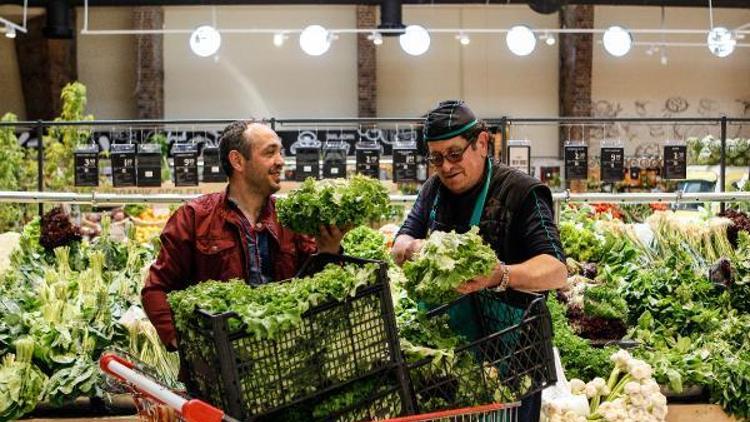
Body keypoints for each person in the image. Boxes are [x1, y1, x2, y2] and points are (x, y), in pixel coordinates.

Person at [391, 100, 567, 421]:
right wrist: (415, 248)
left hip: (514, 359)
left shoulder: (521, 192)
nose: (445, 166)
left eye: (455, 154)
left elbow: (556, 270)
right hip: (454, 354)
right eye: (436, 157)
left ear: (482, 143)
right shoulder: (434, 189)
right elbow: (400, 242)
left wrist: (498, 275)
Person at [142, 120, 347, 350]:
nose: (280, 161)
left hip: (285, 358)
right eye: (270, 153)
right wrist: (183, 344)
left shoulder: (291, 220)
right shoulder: (193, 218)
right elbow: (156, 289)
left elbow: (316, 289)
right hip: (221, 366)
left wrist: (329, 252)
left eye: (281, 152)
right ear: (237, 160)